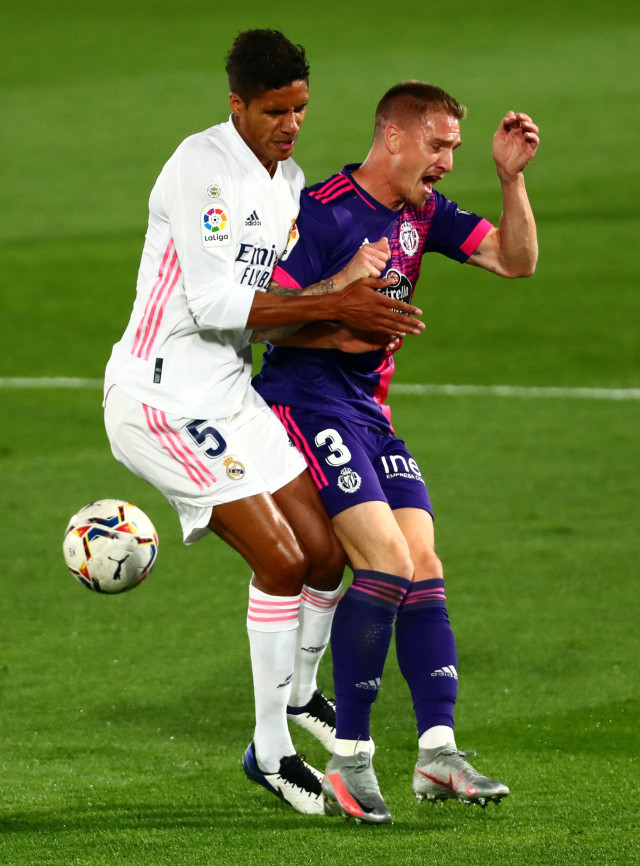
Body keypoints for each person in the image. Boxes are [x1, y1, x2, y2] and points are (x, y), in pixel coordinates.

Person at [102, 35, 424, 816]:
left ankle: (301, 696)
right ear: (237, 105)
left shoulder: (288, 183)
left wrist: (341, 285)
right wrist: (333, 304)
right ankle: (272, 752)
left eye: (301, 109)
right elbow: (215, 306)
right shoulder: (200, 166)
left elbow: (268, 311)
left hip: (229, 393)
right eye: (275, 111)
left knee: (323, 553)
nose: (290, 125)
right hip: (162, 398)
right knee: (280, 563)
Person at [253, 80, 539, 823]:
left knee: (425, 563)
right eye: (439, 145)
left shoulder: (424, 213)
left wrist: (512, 181)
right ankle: (348, 760)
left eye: (456, 148)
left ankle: (438, 753)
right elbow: (266, 323)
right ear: (395, 139)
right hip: (306, 399)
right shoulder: (320, 213)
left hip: (369, 413)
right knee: (384, 561)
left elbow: (515, 260)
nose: (448, 160)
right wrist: (342, 290)